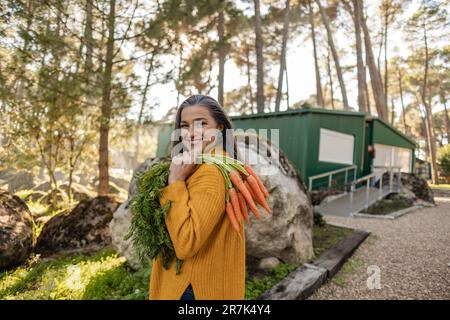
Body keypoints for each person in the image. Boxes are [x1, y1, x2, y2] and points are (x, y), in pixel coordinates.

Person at [149, 94, 246, 300]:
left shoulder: (211, 172)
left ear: (219, 127)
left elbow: (186, 243)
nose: (192, 133)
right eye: (185, 125)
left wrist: (175, 182)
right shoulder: (203, 165)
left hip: (190, 287)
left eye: (201, 124)